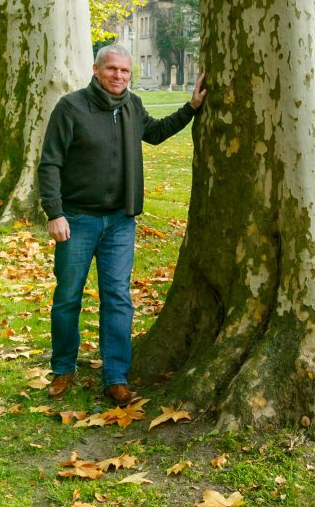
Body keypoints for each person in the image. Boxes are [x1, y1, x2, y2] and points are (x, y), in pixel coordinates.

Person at [38, 44, 207, 404]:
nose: (118, 76)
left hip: (120, 221)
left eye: (125, 71)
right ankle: (63, 368)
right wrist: (54, 212)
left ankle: (115, 377)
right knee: (68, 297)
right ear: (97, 70)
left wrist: (191, 108)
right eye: (112, 69)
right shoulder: (71, 107)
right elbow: (50, 162)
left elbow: (157, 132)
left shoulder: (133, 106)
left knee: (117, 298)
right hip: (77, 220)